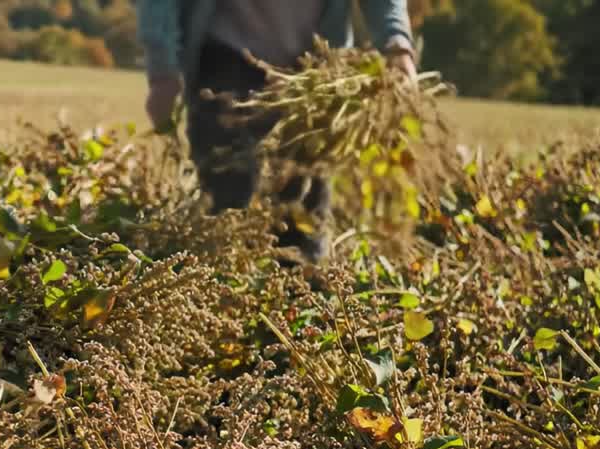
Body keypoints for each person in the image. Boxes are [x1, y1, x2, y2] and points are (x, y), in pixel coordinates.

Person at [137, 0, 417, 263]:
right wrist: (163, 70)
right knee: (230, 209)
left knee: (302, 229)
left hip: (311, 76)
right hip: (225, 62)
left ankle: (301, 291)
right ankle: (218, 288)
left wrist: (396, 43)